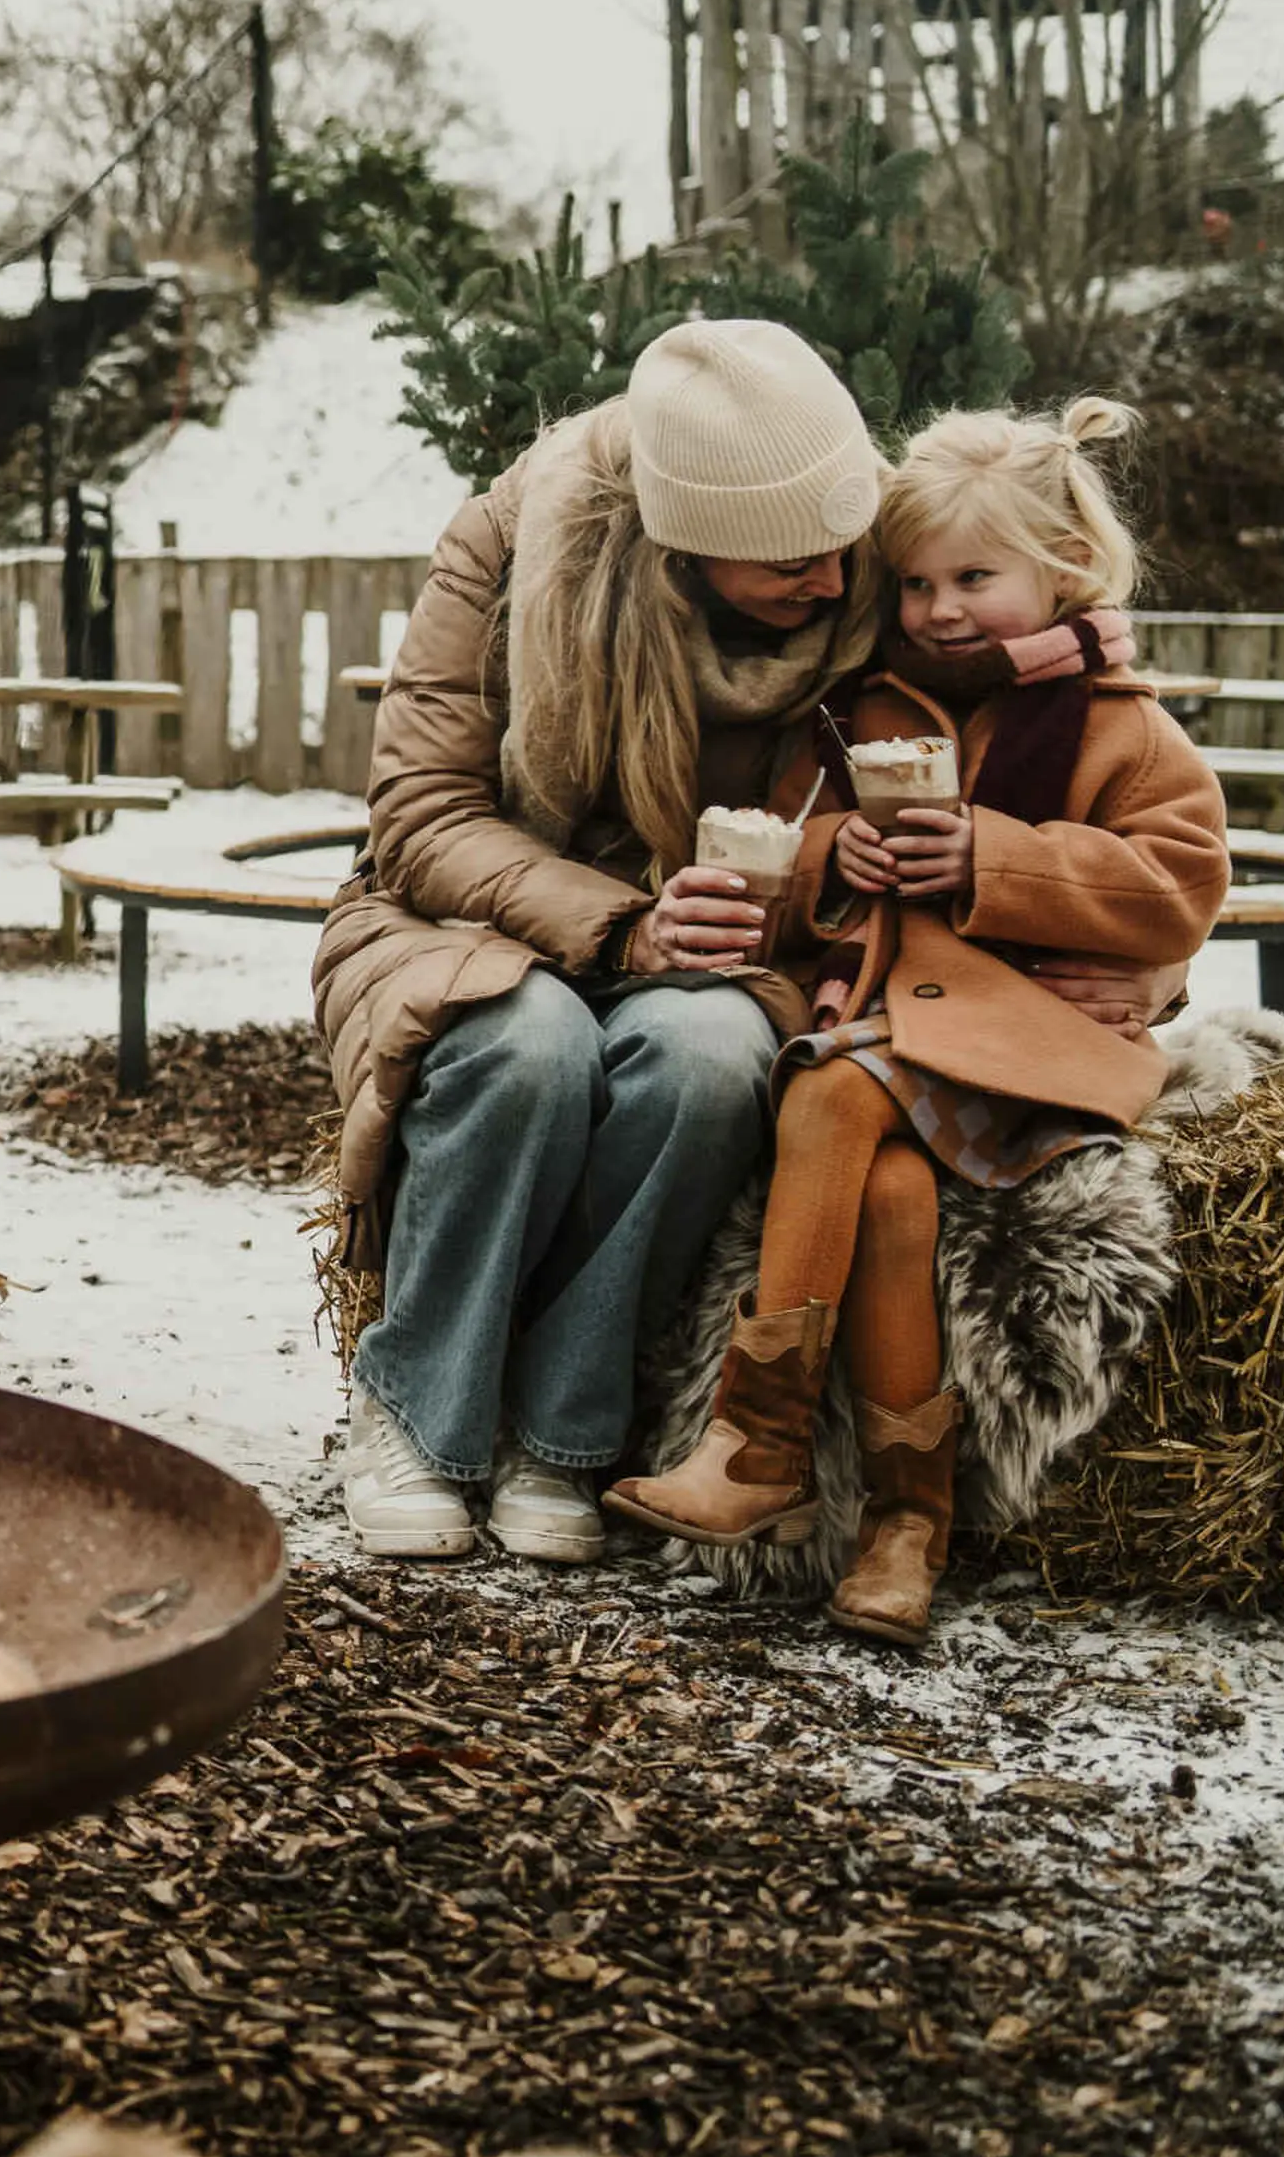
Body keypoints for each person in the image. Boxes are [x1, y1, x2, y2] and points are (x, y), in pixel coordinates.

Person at [316, 319, 1172, 1568]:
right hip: (479, 911)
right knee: (527, 1046)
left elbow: (1061, 757)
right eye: (788, 567)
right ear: (683, 551)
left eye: (846, 549)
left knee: (715, 1053)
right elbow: (422, 814)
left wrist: (1142, 961)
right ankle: (415, 1414)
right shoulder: (516, 543)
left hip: (738, 934)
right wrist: (620, 923)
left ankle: (566, 1432)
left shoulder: (873, 544)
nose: (837, 584)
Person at [608, 400, 1222, 1646]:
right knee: (888, 1198)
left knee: (826, 1091)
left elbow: (1181, 882)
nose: (941, 609)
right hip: (902, 1036)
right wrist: (843, 856)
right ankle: (906, 1527)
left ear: (1065, 570)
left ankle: (757, 1440)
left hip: (1032, 1043)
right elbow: (780, 861)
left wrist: (997, 856)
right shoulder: (862, 715)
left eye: (975, 578)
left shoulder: (1121, 723)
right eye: (918, 582)